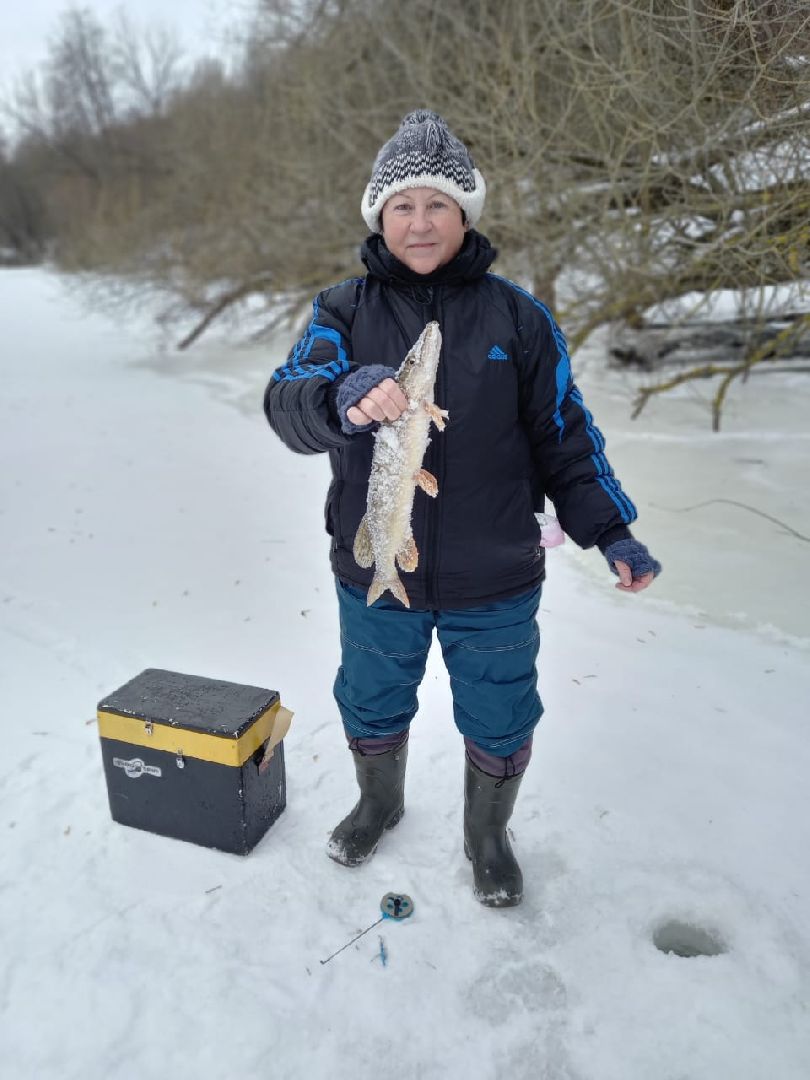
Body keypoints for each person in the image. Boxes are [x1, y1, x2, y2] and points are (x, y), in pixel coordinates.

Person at [264, 110, 661, 908]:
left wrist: (610, 528)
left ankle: (487, 833)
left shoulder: (520, 317)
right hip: (378, 558)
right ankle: (380, 801)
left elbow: (564, 437)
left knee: (502, 707)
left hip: (498, 573)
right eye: (402, 204)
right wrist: (338, 396)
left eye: (438, 204)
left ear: (466, 212)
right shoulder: (342, 311)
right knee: (371, 696)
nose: (419, 222)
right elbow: (286, 403)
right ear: (379, 214)